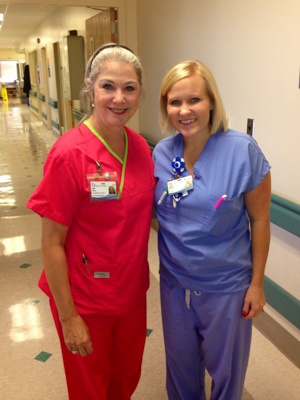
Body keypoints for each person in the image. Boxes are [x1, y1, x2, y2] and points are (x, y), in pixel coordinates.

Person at [27, 43, 156, 400]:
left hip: (131, 292)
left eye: (129, 88)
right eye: (108, 86)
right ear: (90, 88)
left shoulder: (141, 148)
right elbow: (51, 242)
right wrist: (69, 319)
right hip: (83, 298)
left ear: (139, 93)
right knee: (89, 389)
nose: (119, 98)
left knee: (126, 378)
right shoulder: (69, 154)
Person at [153, 60, 271, 400]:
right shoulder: (162, 152)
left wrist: (257, 284)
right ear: (166, 107)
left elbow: (260, 220)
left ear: (212, 103)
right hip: (175, 284)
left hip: (226, 287)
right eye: (175, 102)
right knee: (180, 366)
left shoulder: (243, 151)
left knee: (226, 370)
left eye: (194, 100)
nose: (184, 110)